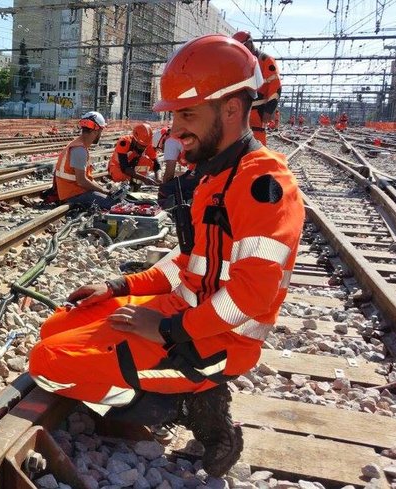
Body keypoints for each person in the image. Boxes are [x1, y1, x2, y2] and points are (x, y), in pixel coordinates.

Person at [29, 34, 305, 477]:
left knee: (47, 361)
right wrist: (119, 287)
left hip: (216, 342)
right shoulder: (217, 176)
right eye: (174, 115)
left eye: (188, 113)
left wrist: (169, 331)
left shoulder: (263, 186)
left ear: (232, 109)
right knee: (55, 326)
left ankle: (197, 406)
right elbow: (189, 262)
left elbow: (251, 298)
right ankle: (167, 386)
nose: (175, 129)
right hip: (186, 315)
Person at [51, 111, 115, 209]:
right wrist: (104, 191)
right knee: (114, 204)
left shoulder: (79, 145)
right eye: (101, 131)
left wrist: (102, 190)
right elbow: (82, 181)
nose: (100, 135)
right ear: (96, 131)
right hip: (73, 195)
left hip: (75, 192)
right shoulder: (79, 150)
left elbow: (86, 179)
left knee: (113, 200)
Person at [232, 31, 281, 146]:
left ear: (249, 44)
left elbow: (275, 85)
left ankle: (258, 162)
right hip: (240, 109)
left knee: (257, 141)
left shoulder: (265, 60)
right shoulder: (239, 63)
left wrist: (269, 109)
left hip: (258, 110)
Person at [108, 122, 159, 187]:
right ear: (135, 140)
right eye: (141, 145)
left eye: (145, 146)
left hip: (132, 168)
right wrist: (144, 179)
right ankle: (127, 183)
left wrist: (158, 179)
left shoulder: (147, 144)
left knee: (146, 161)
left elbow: (157, 165)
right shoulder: (124, 142)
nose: (143, 148)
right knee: (120, 176)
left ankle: (136, 182)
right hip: (118, 167)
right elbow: (124, 168)